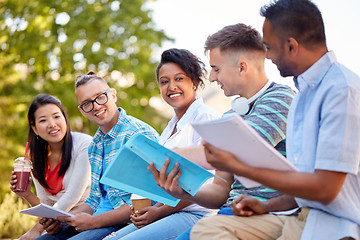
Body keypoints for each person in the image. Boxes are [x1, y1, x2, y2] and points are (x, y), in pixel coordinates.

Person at [185, 0, 360, 239]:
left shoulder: (341, 90)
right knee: (207, 229)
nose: (266, 55)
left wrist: (238, 166)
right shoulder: (304, 95)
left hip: (335, 224)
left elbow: (325, 190)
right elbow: (304, 186)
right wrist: (267, 206)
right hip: (299, 214)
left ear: (290, 46)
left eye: (269, 47)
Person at [149, 23, 296, 239]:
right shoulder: (229, 116)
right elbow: (219, 191)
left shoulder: (281, 98)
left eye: (216, 69)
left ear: (242, 67)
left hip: (268, 215)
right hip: (228, 214)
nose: (211, 78)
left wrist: (170, 156)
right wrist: (182, 192)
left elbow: (241, 149)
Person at [103, 48, 220, 240]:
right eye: (164, 82)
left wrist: (159, 212)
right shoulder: (169, 128)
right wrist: (152, 209)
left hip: (194, 213)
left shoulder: (205, 117)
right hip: (167, 211)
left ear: (195, 81)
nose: (171, 86)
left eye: (179, 79)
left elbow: (206, 182)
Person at [34, 72, 159, 240]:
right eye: (87, 103)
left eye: (100, 97)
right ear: (82, 111)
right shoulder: (95, 145)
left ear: (113, 95)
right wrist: (62, 220)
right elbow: (94, 201)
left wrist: (93, 222)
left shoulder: (137, 134)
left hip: (127, 222)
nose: (96, 106)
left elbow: (150, 199)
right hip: (98, 218)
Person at [10, 94, 92, 240]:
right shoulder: (36, 158)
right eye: (43, 120)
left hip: (87, 216)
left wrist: (36, 230)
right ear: (34, 128)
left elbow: (71, 197)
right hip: (59, 221)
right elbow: (46, 205)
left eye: (56, 116)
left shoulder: (84, 145)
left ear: (65, 118)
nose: (52, 124)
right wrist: (26, 194)